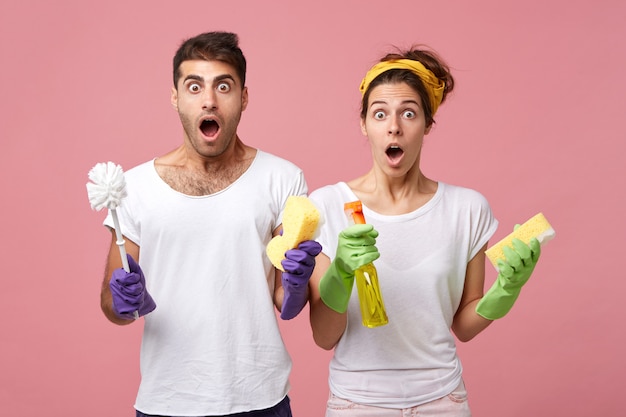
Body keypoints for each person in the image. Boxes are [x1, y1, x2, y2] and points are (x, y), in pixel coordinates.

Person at [307, 46, 542, 416]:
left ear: (427, 125)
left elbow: (463, 324)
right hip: (357, 403)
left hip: (443, 402)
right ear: (364, 124)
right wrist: (340, 272)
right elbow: (324, 336)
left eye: (409, 114)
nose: (393, 126)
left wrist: (506, 290)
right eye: (379, 113)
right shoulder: (326, 206)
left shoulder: (467, 209)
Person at [99, 31, 321, 417]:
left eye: (223, 85)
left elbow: (287, 302)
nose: (209, 100)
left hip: (260, 398)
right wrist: (123, 302)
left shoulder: (282, 178)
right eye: (194, 85)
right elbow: (111, 307)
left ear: (244, 97)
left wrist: (299, 282)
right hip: (167, 400)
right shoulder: (132, 187)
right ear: (175, 97)